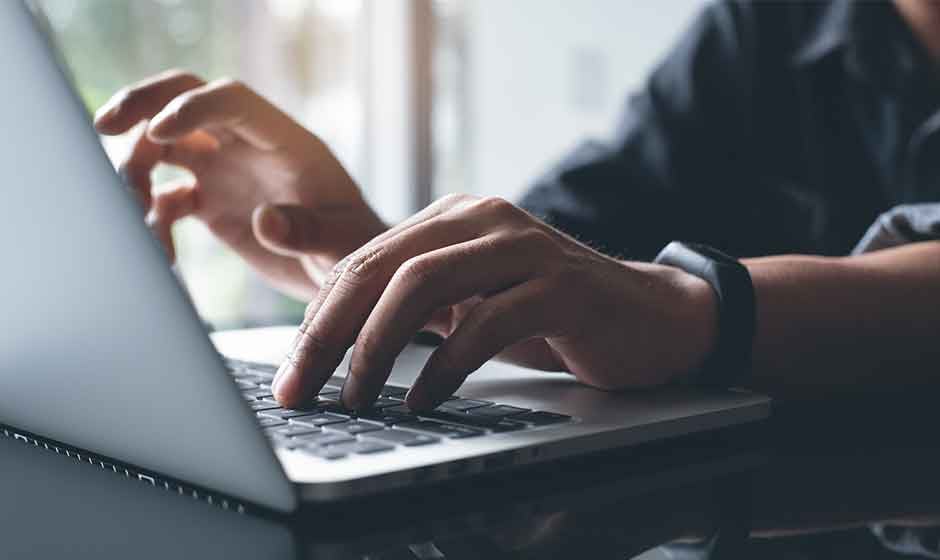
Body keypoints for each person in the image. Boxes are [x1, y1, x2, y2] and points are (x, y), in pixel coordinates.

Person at [94, 0, 940, 412]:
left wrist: (689, 309)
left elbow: (635, 303)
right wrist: (369, 249)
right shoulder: (767, 25)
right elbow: (562, 261)